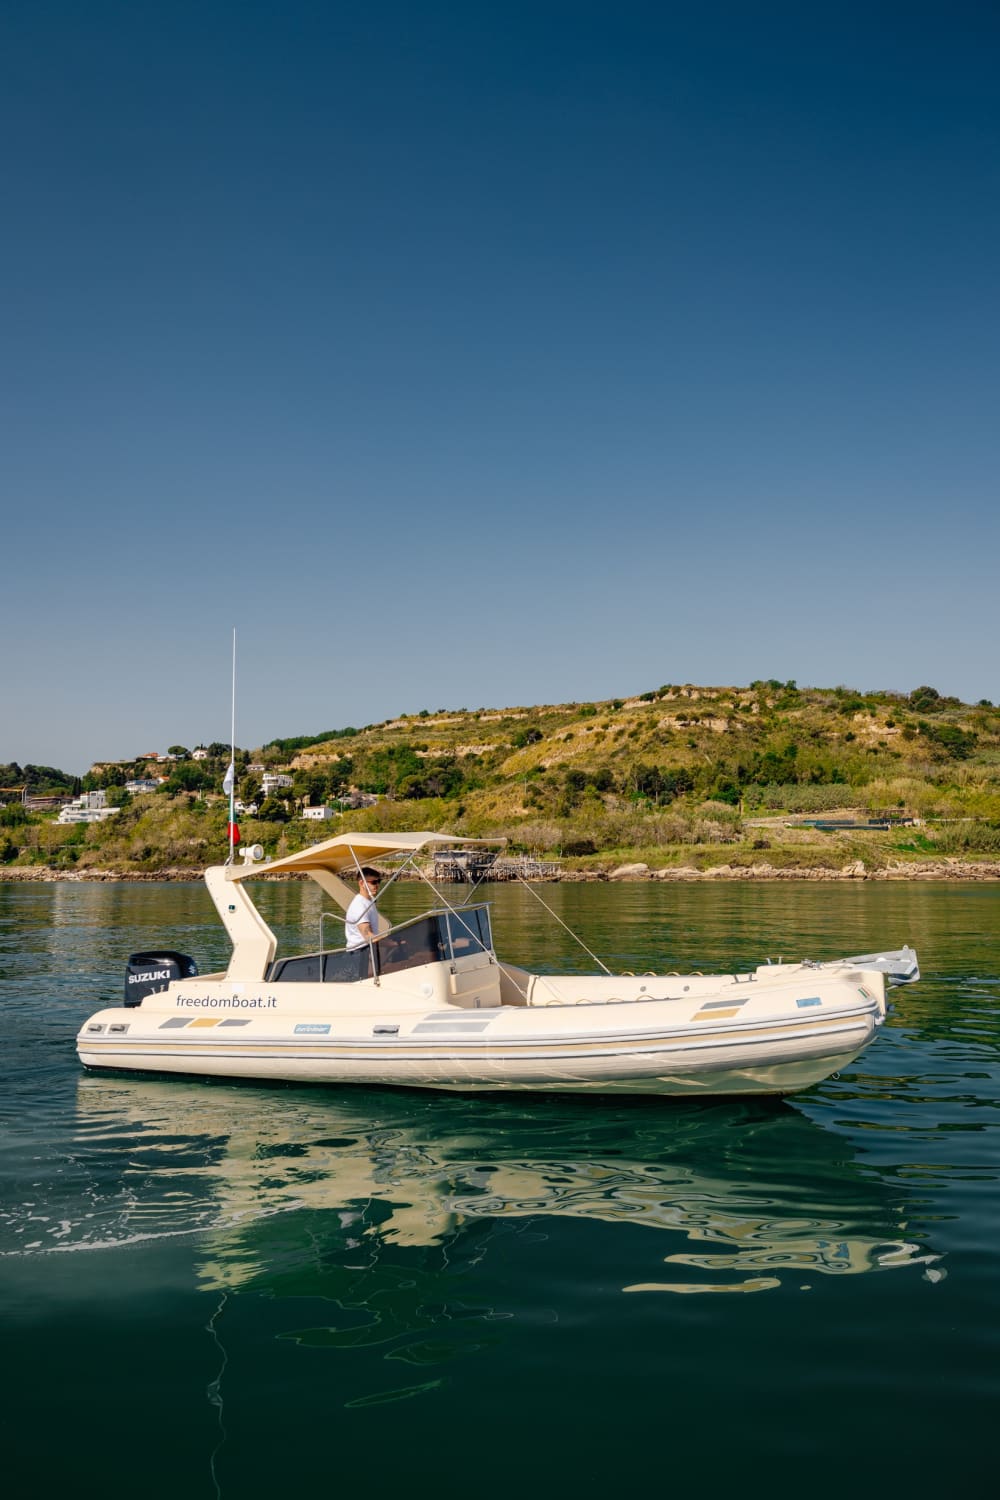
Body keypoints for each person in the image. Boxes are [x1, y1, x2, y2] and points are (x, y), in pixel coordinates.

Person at [344, 867, 385, 951]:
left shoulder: (369, 901)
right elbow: (367, 935)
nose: (377, 885)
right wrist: (392, 943)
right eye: (373, 882)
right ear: (362, 883)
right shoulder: (359, 905)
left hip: (369, 950)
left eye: (378, 882)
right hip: (359, 953)